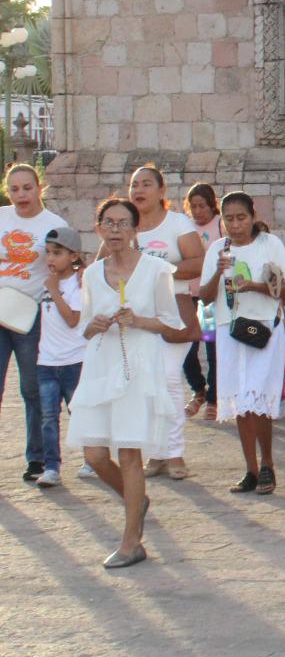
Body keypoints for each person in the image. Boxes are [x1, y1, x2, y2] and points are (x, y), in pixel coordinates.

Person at [68, 197, 195, 568]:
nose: (116, 230)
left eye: (123, 223)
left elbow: (171, 322)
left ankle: (131, 542)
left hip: (138, 365)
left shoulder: (156, 270)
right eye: (109, 223)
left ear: (135, 229)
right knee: (94, 455)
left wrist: (138, 320)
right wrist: (95, 325)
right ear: (98, 229)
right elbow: (83, 326)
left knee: (128, 453)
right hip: (101, 365)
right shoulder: (92, 274)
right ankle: (135, 500)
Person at [198, 192, 285, 495]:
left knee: (259, 397)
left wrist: (254, 286)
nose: (235, 225)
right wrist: (218, 271)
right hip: (230, 328)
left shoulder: (269, 244)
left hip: (263, 327)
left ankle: (267, 463)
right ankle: (250, 469)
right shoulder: (218, 249)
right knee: (241, 400)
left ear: (253, 216)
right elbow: (204, 296)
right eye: (229, 219)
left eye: (241, 218)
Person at [126, 165, 203, 482]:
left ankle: (175, 453)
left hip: (173, 312)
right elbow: (106, 263)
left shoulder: (178, 223)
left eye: (146, 184)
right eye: (134, 185)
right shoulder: (127, 226)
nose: (138, 190)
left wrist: (159, 271)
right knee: (147, 385)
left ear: (161, 191)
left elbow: (198, 262)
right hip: (138, 317)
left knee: (169, 378)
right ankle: (156, 453)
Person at [0, 163, 68, 483]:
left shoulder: (54, 224)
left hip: (32, 314)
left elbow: (64, 266)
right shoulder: (1, 218)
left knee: (32, 388)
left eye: (27, 188)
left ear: (39, 187)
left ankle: (38, 457)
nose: (21, 195)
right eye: (14, 189)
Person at [34, 227, 87, 488]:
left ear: (73, 256)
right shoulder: (47, 281)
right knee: (48, 417)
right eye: (48, 253)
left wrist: (55, 291)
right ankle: (51, 467)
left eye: (57, 253)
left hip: (73, 361)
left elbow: (72, 320)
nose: (51, 258)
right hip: (46, 361)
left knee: (78, 412)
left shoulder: (78, 284)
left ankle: (92, 459)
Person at [181, 183, 222, 419]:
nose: (197, 211)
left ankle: (214, 398)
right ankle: (198, 389)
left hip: (211, 295)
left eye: (202, 206)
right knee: (187, 348)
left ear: (211, 205)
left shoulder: (220, 225)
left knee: (212, 347)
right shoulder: (185, 227)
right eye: (193, 206)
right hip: (188, 294)